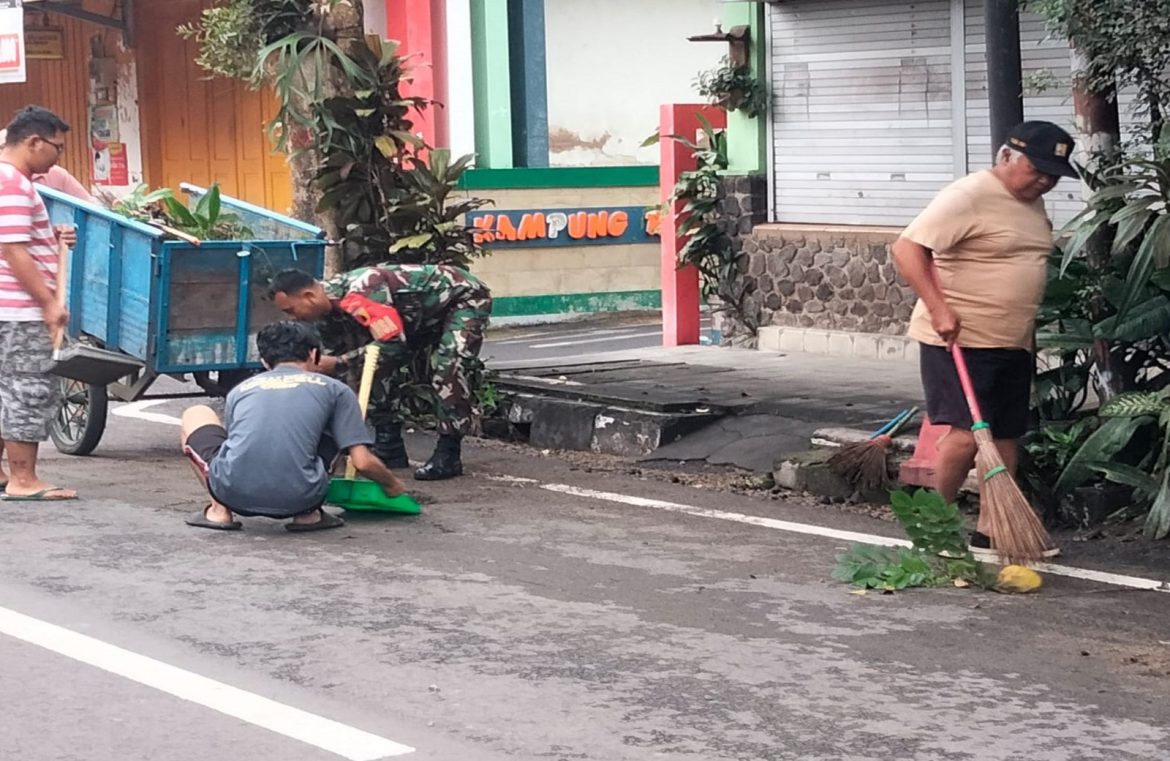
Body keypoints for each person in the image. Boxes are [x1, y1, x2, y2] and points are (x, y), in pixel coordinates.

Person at [892, 120, 1076, 556]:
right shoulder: (969, 195)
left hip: (1010, 341)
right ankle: (933, 523)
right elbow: (907, 248)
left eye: (1054, 173)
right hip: (961, 336)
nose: (1046, 180)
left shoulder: (1030, 202)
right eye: (1038, 169)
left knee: (1005, 436)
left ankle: (995, 528)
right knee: (963, 434)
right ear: (1008, 156)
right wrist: (939, 308)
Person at [269, 263, 492, 481]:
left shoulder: (361, 294)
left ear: (309, 296)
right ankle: (389, 445)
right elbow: (343, 368)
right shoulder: (325, 316)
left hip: (460, 300)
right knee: (369, 367)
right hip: (413, 318)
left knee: (449, 365)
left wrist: (338, 362)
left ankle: (449, 452)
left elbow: (393, 345)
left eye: (291, 310)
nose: (292, 318)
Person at [179, 321, 407, 531]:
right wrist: (393, 486)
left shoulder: (242, 389)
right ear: (314, 354)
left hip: (232, 492)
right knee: (336, 427)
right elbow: (362, 462)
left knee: (196, 413)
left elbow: (236, 443)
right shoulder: (335, 390)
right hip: (301, 497)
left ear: (265, 362)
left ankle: (220, 512)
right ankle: (308, 515)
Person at [0, 106, 79, 502]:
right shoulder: (12, 182)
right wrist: (48, 303)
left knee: (6, 387)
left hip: (7, 307)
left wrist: (51, 236)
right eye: (57, 148)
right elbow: (13, 250)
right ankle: (23, 479)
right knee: (27, 388)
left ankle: (7, 474)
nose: (58, 158)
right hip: (18, 310)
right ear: (33, 142)